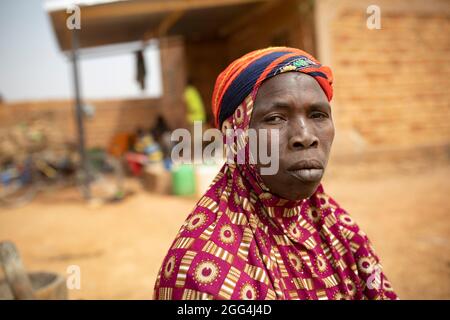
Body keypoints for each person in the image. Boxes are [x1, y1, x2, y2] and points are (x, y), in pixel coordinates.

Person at [153, 47, 397, 300]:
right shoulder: (199, 272)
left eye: (318, 115)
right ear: (235, 136)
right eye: (276, 118)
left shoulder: (339, 229)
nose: (305, 136)